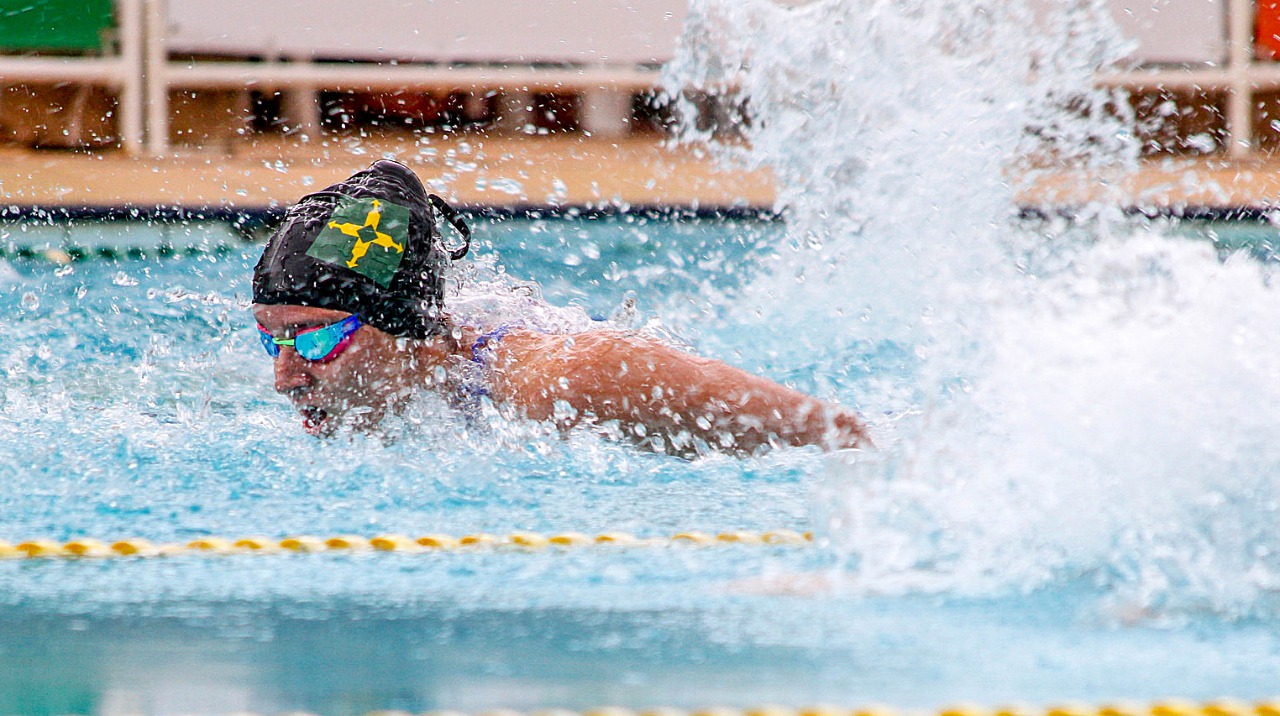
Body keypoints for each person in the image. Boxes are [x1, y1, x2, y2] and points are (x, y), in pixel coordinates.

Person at [252, 160, 871, 457]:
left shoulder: (567, 380)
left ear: (406, 330)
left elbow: (841, 435)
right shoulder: (388, 378)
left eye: (311, 340)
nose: (284, 377)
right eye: (271, 341)